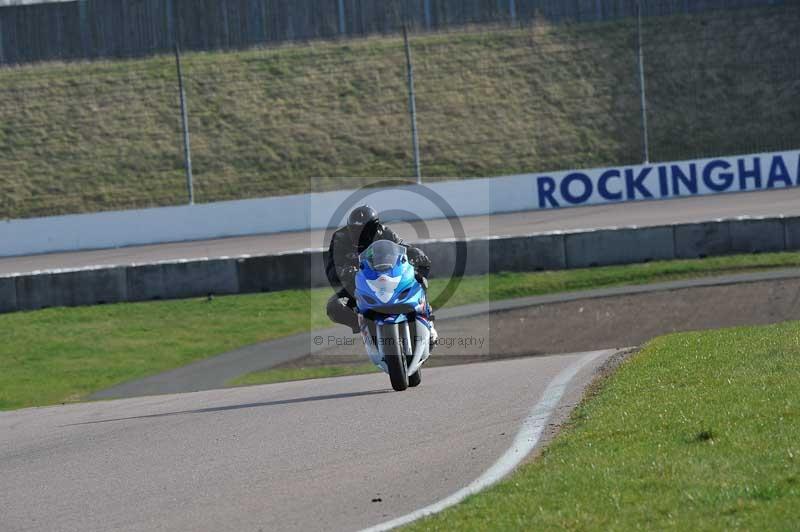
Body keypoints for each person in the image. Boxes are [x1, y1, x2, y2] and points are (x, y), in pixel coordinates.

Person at [325, 205, 437, 347]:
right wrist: (343, 271)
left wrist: (417, 254)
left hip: (388, 278)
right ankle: (362, 324)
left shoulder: (385, 232)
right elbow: (331, 266)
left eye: (364, 229)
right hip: (358, 283)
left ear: (375, 226)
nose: (359, 233)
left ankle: (428, 321)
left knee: (418, 279)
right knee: (334, 306)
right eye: (355, 229)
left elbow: (403, 247)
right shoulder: (340, 238)